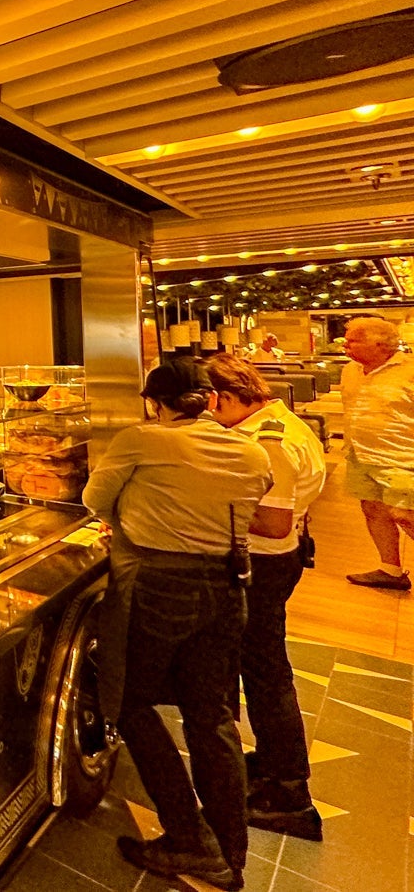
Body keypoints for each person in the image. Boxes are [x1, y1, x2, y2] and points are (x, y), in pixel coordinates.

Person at [85, 359, 271, 891]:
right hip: (226, 586)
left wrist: (139, 511)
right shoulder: (252, 450)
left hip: (157, 585)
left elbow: (94, 500)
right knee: (211, 718)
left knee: (128, 703)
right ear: (211, 401)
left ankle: (188, 837)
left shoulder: (141, 440)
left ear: (155, 403)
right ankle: (230, 853)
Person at [204, 353, 326, 840]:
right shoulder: (277, 424)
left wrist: (203, 505)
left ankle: (288, 794)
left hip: (264, 564)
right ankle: (274, 763)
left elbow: (272, 523)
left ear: (226, 397)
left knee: (267, 673)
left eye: (209, 404)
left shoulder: (267, 441)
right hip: (282, 559)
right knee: (261, 668)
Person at [341, 317, 414, 589]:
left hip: (402, 457)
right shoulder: (350, 370)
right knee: (373, 510)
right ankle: (390, 570)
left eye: (354, 340)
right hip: (360, 455)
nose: (346, 345)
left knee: (405, 515)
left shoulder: (409, 370)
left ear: (381, 344)